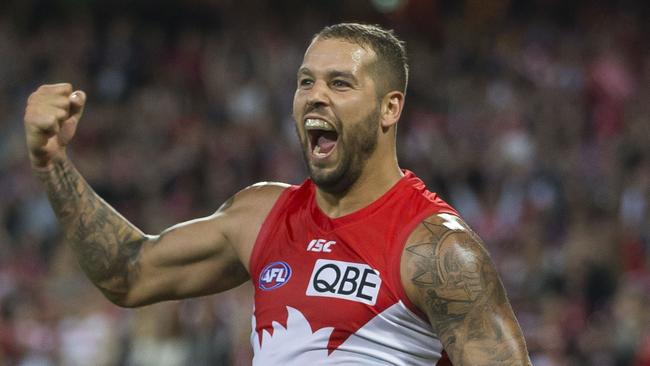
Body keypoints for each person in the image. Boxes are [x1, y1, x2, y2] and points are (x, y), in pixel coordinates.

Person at [23, 23, 531, 365]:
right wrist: (53, 163)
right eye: (306, 81)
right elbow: (127, 272)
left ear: (389, 108)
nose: (315, 95)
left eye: (340, 83)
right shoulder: (262, 215)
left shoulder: (437, 252)